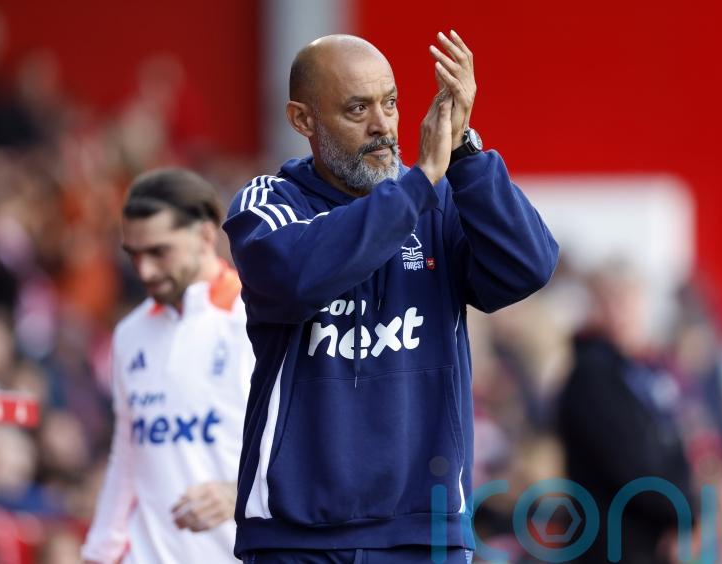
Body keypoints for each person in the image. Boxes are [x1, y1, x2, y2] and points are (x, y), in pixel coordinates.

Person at [223, 32, 559, 562]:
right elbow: (295, 276)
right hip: (298, 535)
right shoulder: (268, 203)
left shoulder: (441, 200)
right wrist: (419, 182)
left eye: (391, 103)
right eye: (358, 108)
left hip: (424, 531)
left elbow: (528, 266)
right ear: (302, 120)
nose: (382, 125)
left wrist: (464, 146)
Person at [81, 168, 254, 563]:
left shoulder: (257, 320)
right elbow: (128, 449)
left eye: (159, 252)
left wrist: (238, 493)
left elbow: (299, 447)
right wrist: (98, 552)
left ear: (206, 236)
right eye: (134, 255)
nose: (145, 271)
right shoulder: (129, 334)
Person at [557, 264, 695, 564]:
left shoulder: (644, 374)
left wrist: (683, 518)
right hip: (610, 545)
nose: (622, 313)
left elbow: (674, 447)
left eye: (629, 301)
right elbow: (632, 468)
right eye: (611, 302)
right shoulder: (591, 377)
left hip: (647, 540)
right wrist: (685, 513)